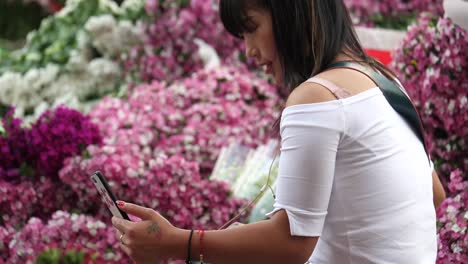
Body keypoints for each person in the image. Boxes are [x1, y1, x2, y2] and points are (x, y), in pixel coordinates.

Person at [111, 1, 446, 263]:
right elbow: (433, 194)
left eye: (252, 29)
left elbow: (291, 244)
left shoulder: (316, 96)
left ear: (292, 13)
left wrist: (175, 242)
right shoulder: (385, 81)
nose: (248, 50)